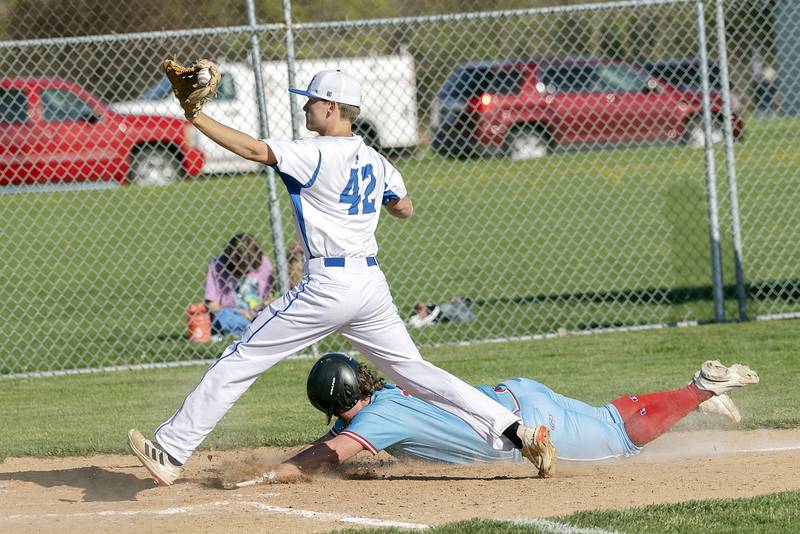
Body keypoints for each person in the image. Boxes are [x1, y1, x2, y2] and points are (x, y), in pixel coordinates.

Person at [127, 67, 551, 486]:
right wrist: (374, 204)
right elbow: (404, 207)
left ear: (331, 107)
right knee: (417, 374)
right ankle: (517, 432)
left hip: (328, 284)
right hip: (371, 286)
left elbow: (255, 151)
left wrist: (195, 116)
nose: (306, 108)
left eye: (311, 101)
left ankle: (172, 450)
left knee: (243, 357)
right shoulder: (376, 159)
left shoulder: (315, 152)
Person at [229, 354, 758, 486]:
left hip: (526, 433)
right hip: (517, 396)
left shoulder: (377, 421)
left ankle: (697, 389)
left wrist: (272, 473)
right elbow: (344, 434)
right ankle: (694, 398)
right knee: (605, 418)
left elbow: (330, 452)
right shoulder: (387, 393)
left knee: (619, 440)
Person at [205, 233, 275, 337]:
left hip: (259, 314)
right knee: (222, 317)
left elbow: (271, 295)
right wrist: (239, 312)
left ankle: (252, 328)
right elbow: (212, 305)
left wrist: (268, 302)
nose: (244, 271)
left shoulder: (263, 262)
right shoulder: (217, 265)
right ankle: (252, 330)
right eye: (241, 267)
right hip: (232, 314)